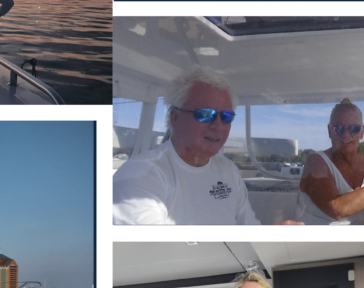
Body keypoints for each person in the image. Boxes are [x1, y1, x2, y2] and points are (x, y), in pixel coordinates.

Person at [114, 67, 302, 224]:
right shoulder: (141, 175)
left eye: (226, 116)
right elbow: (152, 253)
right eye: (205, 114)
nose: (218, 125)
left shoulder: (227, 169)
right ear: (175, 117)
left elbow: (248, 229)